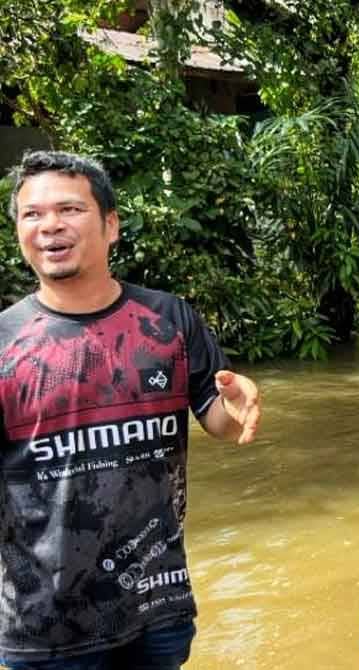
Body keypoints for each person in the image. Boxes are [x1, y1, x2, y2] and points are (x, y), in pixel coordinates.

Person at [0, 151, 261, 669]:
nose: (50, 225)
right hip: (45, 625)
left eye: (69, 209)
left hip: (157, 603)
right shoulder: (5, 342)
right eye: (33, 214)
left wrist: (238, 407)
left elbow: (219, 419)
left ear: (111, 225)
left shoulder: (168, 319)